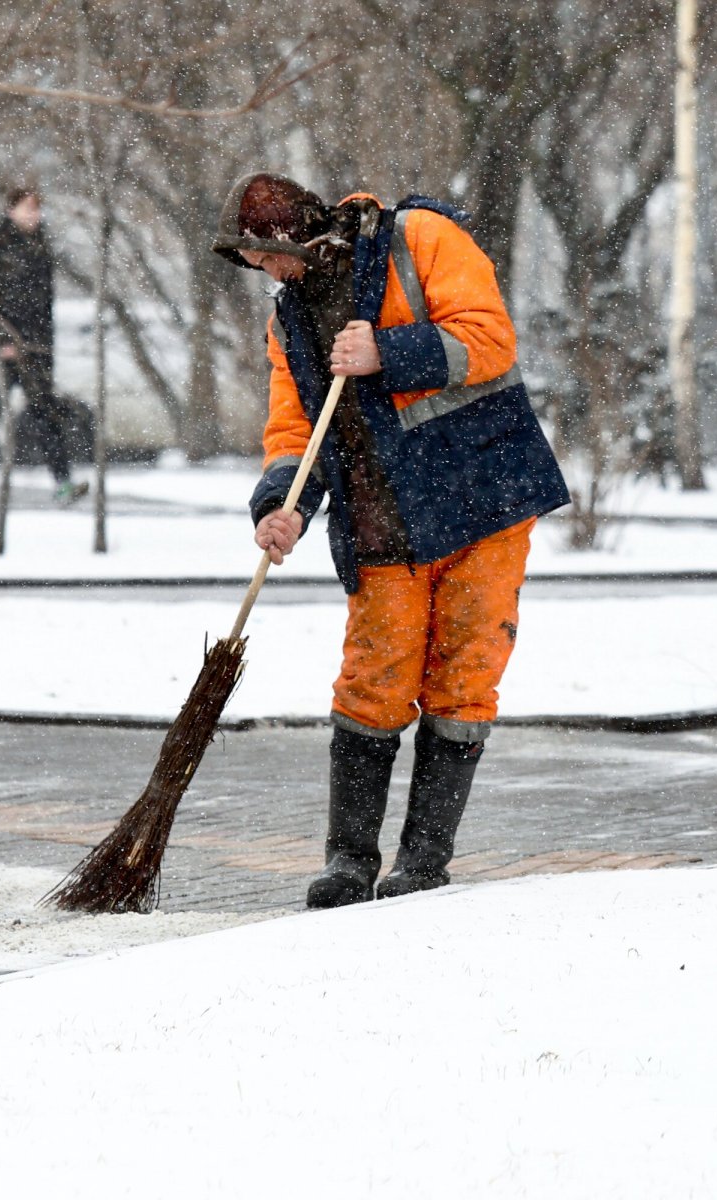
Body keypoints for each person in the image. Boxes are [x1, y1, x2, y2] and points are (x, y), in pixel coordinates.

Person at [211, 173, 570, 909]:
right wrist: (283, 506)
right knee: (372, 683)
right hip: (382, 519)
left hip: (483, 500)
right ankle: (348, 863)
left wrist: (389, 353)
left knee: (464, 679)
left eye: (266, 261)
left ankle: (424, 863)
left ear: (291, 239)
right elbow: (293, 432)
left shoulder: (421, 240)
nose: (267, 277)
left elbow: (489, 341)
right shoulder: (289, 325)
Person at [0, 188, 86, 507]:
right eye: (27, 208)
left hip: (37, 349)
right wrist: (5, 342)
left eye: (36, 209)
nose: (33, 215)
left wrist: (40, 346)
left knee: (45, 413)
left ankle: (62, 481)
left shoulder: (40, 246)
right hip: (3, 348)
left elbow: (42, 304)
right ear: (11, 211)